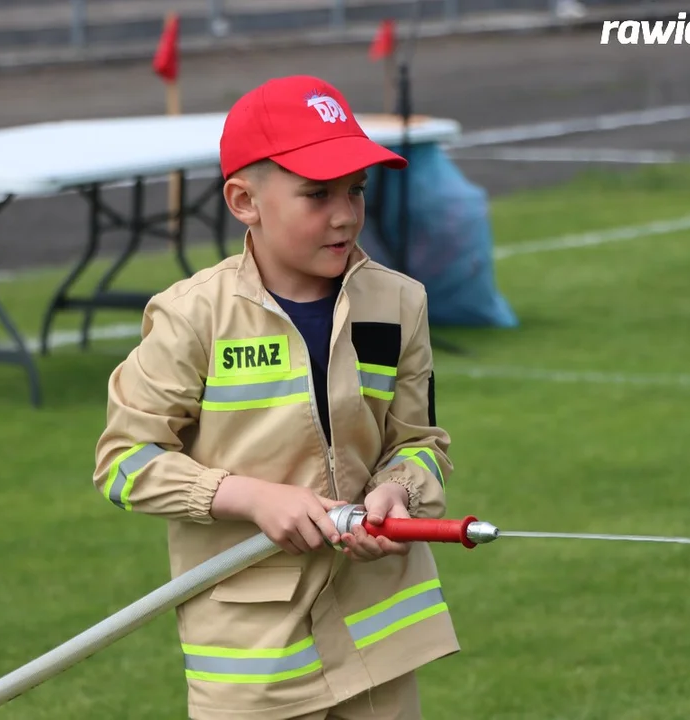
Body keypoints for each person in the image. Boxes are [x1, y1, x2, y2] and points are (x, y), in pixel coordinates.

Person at [93, 74, 457, 720]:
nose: (345, 213)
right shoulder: (191, 318)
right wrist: (252, 498)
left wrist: (398, 492)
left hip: (378, 644)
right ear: (243, 201)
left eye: (357, 189)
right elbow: (124, 463)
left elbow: (421, 445)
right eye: (317, 194)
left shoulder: (402, 304)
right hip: (253, 666)